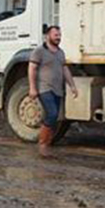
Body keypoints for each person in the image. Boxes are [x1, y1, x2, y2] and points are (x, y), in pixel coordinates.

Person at [28, 24, 79, 157]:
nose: (58, 37)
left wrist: (72, 85)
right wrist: (33, 88)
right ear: (47, 36)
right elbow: (32, 68)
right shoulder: (39, 51)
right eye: (56, 35)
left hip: (57, 89)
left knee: (55, 117)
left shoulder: (60, 52)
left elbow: (64, 69)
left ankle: (46, 144)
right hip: (44, 88)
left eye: (59, 35)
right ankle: (43, 144)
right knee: (52, 113)